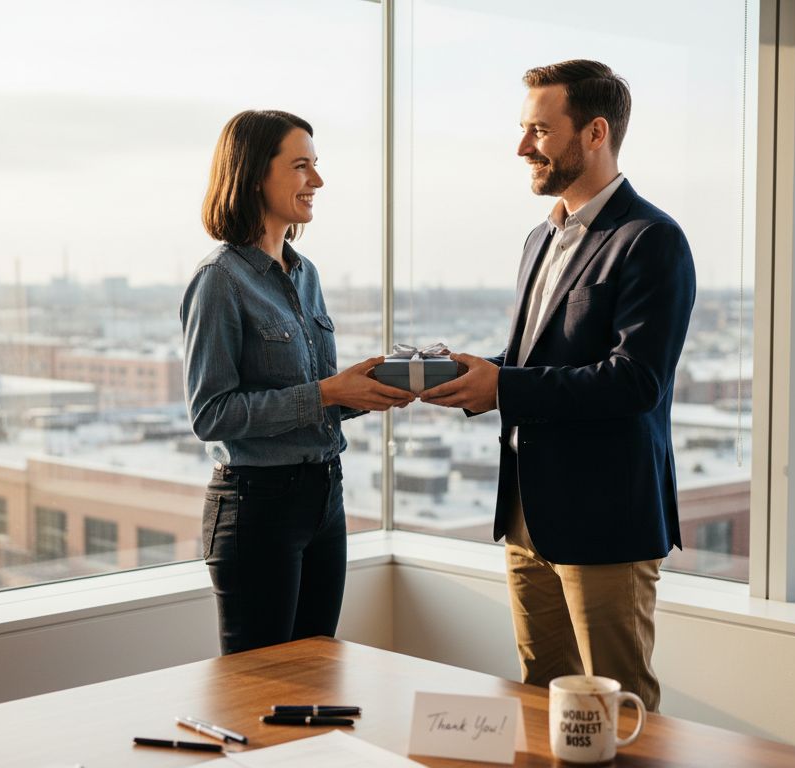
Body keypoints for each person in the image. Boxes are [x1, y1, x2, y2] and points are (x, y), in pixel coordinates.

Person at [420, 60, 696, 711]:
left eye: (539, 130)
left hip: (606, 518)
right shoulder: (538, 239)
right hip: (526, 516)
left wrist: (506, 386)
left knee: (619, 706)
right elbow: (537, 357)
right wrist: (472, 375)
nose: (522, 147)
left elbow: (636, 382)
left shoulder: (651, 240)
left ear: (595, 132)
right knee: (541, 695)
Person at [181, 110, 415, 654]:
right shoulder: (219, 281)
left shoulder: (303, 273)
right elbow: (211, 414)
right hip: (256, 507)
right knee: (260, 690)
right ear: (254, 175)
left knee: (316, 673)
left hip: (323, 497)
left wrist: (365, 389)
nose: (318, 181)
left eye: (317, 166)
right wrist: (330, 392)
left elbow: (314, 393)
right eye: (302, 166)